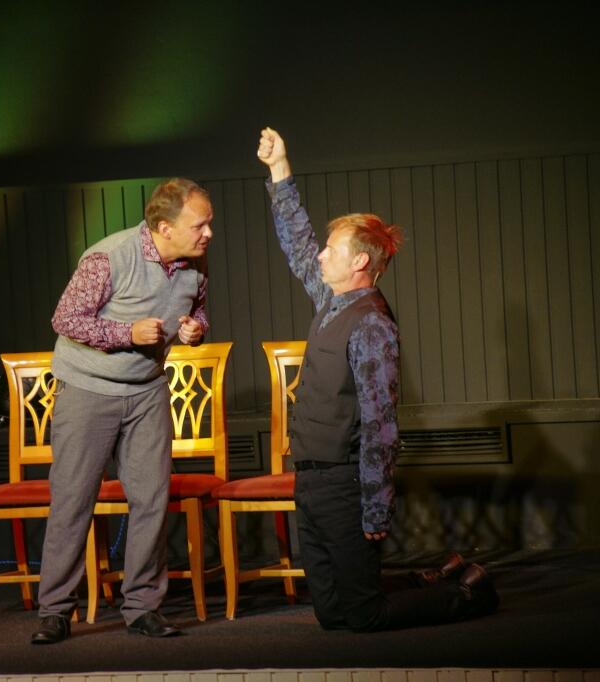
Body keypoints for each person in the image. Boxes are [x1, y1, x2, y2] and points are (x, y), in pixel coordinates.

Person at [257, 127, 499, 631]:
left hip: (344, 483)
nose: (320, 255)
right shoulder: (332, 301)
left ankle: (468, 595)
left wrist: (375, 507)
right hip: (311, 478)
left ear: (359, 261)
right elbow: (298, 244)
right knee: (332, 614)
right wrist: (280, 170)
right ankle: (431, 579)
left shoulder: (371, 325)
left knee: (364, 616)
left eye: (331, 249)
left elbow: (380, 424)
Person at [30, 178, 213, 644]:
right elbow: (65, 320)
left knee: (151, 498)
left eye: (209, 223)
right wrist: (126, 333)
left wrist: (195, 330)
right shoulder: (108, 257)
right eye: (200, 225)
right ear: (165, 227)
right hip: (88, 389)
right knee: (74, 500)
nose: (209, 233)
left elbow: (197, 311)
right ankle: (55, 611)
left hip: (147, 390)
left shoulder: (195, 262)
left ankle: (143, 607)